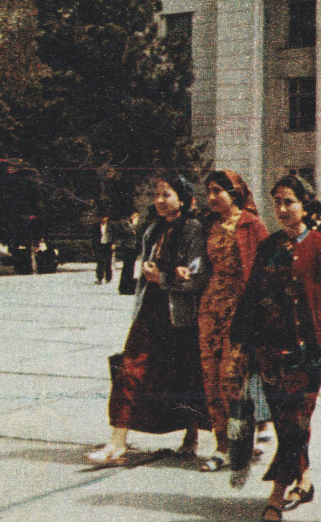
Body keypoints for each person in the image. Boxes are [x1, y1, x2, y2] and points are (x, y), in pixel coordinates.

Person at [230, 175, 321, 522]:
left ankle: (276, 494)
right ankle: (304, 479)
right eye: (278, 202)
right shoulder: (268, 247)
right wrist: (241, 343)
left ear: (305, 205)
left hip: (307, 349)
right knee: (287, 424)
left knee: (297, 421)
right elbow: (252, 296)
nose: (283, 210)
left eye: (290, 202)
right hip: (269, 351)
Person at [86, 174, 211, 464]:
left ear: (183, 198)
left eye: (166, 194)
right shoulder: (152, 230)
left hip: (180, 315)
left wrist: (164, 277)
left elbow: (198, 276)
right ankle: (117, 441)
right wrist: (149, 273)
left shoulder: (193, 229)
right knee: (129, 368)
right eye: (156, 195)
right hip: (150, 310)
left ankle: (191, 436)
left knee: (186, 375)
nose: (159, 200)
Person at [198, 169, 271, 472]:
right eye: (209, 191)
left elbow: (266, 271)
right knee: (211, 377)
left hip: (241, 310)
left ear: (235, 193)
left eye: (218, 190)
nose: (212, 197)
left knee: (234, 378)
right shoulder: (208, 225)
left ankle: (240, 444)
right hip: (211, 307)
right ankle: (221, 446)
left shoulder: (251, 224)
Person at [116, 211, 143, 296]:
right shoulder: (124, 222)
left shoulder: (132, 224)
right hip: (127, 247)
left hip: (133, 248)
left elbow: (138, 233)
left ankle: (128, 286)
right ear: (131, 215)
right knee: (127, 268)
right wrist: (134, 225)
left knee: (130, 268)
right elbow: (126, 231)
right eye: (135, 215)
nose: (137, 217)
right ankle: (124, 287)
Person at [93, 213, 114, 285]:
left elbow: (114, 235)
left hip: (108, 245)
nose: (103, 219)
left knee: (108, 262)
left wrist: (113, 243)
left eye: (104, 217)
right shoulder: (96, 226)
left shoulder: (111, 226)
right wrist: (94, 246)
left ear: (107, 218)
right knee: (100, 262)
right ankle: (99, 278)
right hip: (99, 245)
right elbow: (94, 237)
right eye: (101, 217)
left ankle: (108, 278)